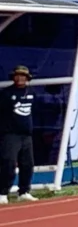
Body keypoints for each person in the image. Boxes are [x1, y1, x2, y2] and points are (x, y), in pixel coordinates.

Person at [0, 66, 37, 203]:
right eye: (18, 75)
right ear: (14, 77)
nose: (20, 78)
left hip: (26, 135)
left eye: (23, 76)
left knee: (27, 164)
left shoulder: (32, 93)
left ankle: (24, 191)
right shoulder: (6, 93)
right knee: (8, 163)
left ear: (27, 78)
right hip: (10, 135)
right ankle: (2, 193)